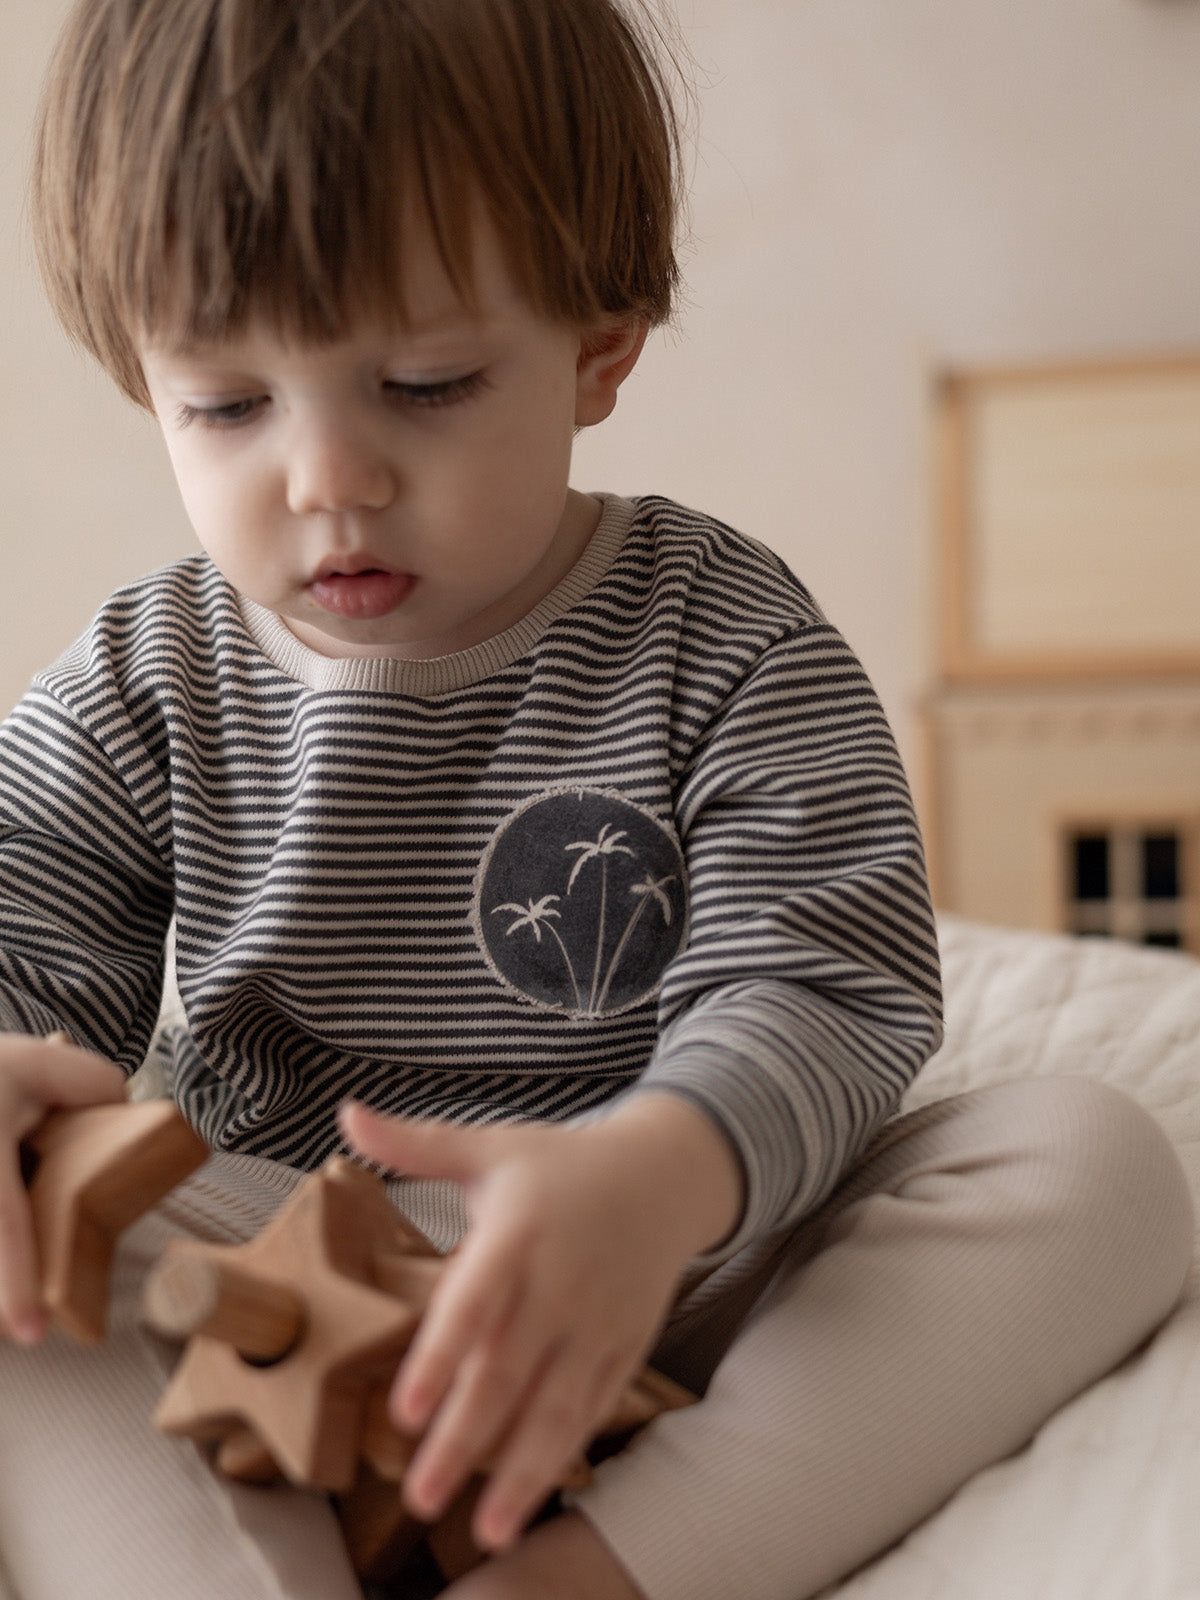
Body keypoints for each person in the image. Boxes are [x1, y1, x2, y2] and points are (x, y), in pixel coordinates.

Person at [0, 2, 1191, 1598]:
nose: (328, 477)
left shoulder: (722, 633)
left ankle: (604, 1568)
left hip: (646, 1269)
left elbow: (824, 978)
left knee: (1093, 1167)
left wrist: (667, 1172)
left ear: (598, 349)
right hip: (269, 1280)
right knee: (29, 1221)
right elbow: (21, 938)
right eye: (225, 403)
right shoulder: (145, 675)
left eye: (425, 382)